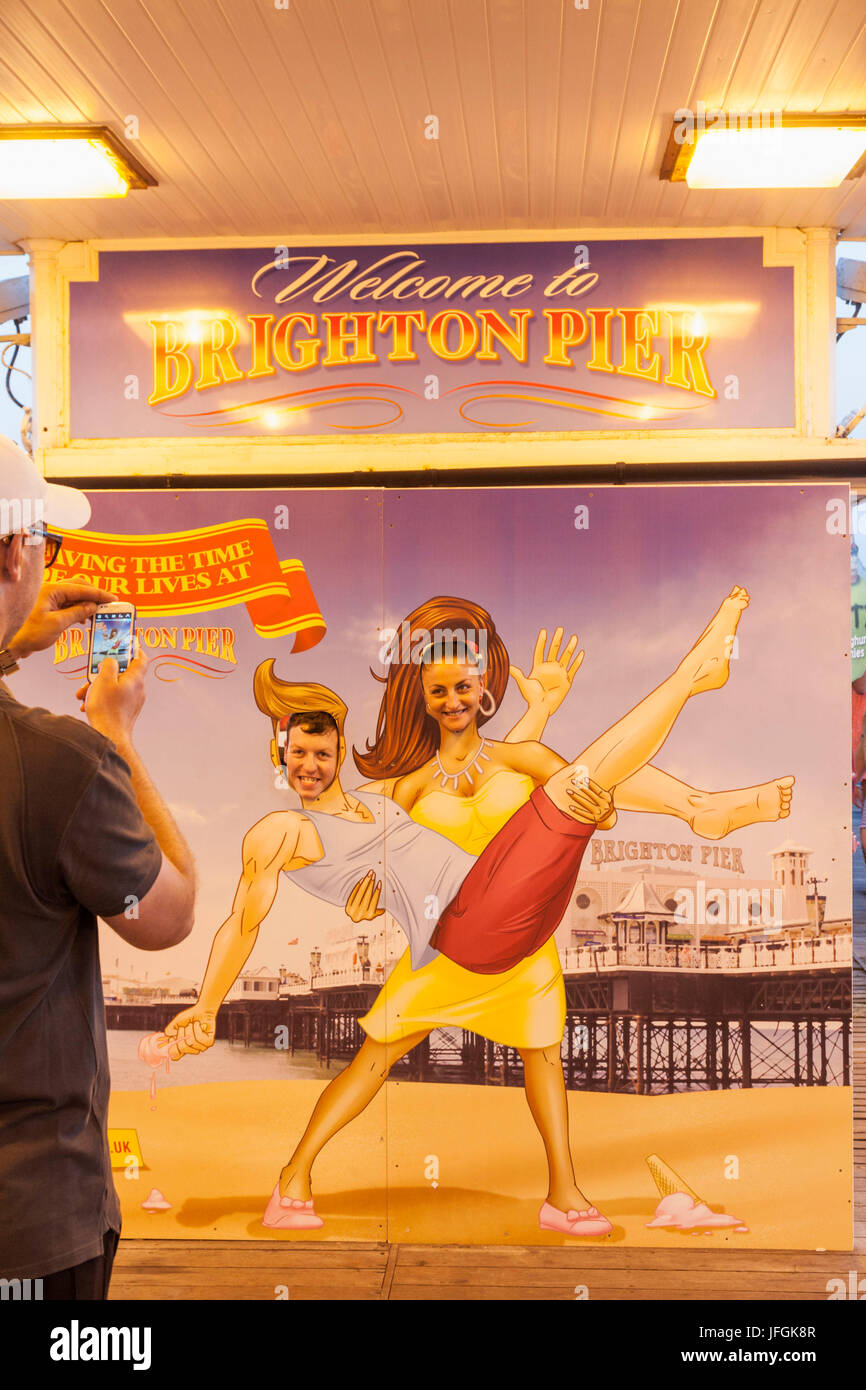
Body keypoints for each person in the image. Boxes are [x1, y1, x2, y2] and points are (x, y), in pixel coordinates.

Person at [166, 586, 782, 1235]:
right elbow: (277, 901)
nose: (453, 701)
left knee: (544, 1046)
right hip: (456, 935)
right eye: (438, 692)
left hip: (521, 922)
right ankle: (690, 682)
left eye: (464, 687)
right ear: (421, 699)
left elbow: (572, 784)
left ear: (484, 686)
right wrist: (210, 1004)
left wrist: (544, 712)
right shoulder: (401, 789)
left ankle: (562, 1194)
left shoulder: (516, 756)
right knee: (374, 1057)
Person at [0, 436, 197, 1299]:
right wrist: (114, 733)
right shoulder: (57, 763)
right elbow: (167, 917)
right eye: (46, 541)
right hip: (30, 1217)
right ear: (16, 552)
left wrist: (9, 644)